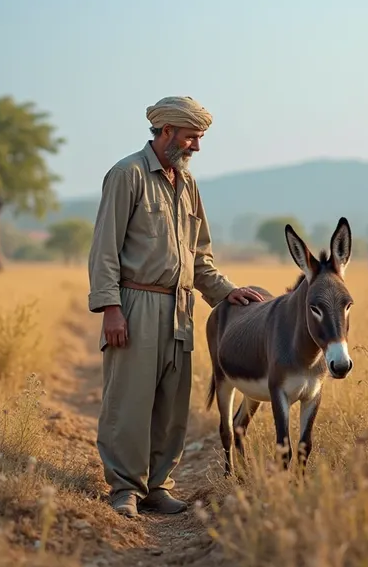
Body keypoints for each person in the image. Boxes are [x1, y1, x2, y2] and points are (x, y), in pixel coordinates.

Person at [87, 95, 263, 519]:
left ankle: (157, 486)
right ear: (166, 133)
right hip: (136, 302)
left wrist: (226, 292)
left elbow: (199, 255)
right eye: (191, 138)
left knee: (171, 403)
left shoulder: (188, 184)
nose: (196, 148)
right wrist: (111, 307)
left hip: (181, 308)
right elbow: (104, 249)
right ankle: (124, 489)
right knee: (128, 400)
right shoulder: (126, 174)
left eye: (198, 139)